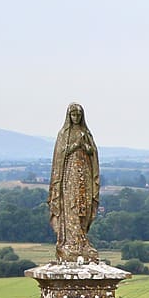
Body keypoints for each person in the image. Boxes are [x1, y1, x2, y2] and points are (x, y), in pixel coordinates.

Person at [48, 102, 100, 260]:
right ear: (68, 116)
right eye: (73, 115)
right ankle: (69, 242)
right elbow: (60, 154)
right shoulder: (64, 133)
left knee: (83, 205)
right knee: (71, 206)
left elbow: (93, 152)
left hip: (84, 173)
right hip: (69, 176)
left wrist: (87, 148)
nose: (76, 118)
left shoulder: (86, 132)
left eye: (78, 115)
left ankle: (82, 239)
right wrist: (76, 145)